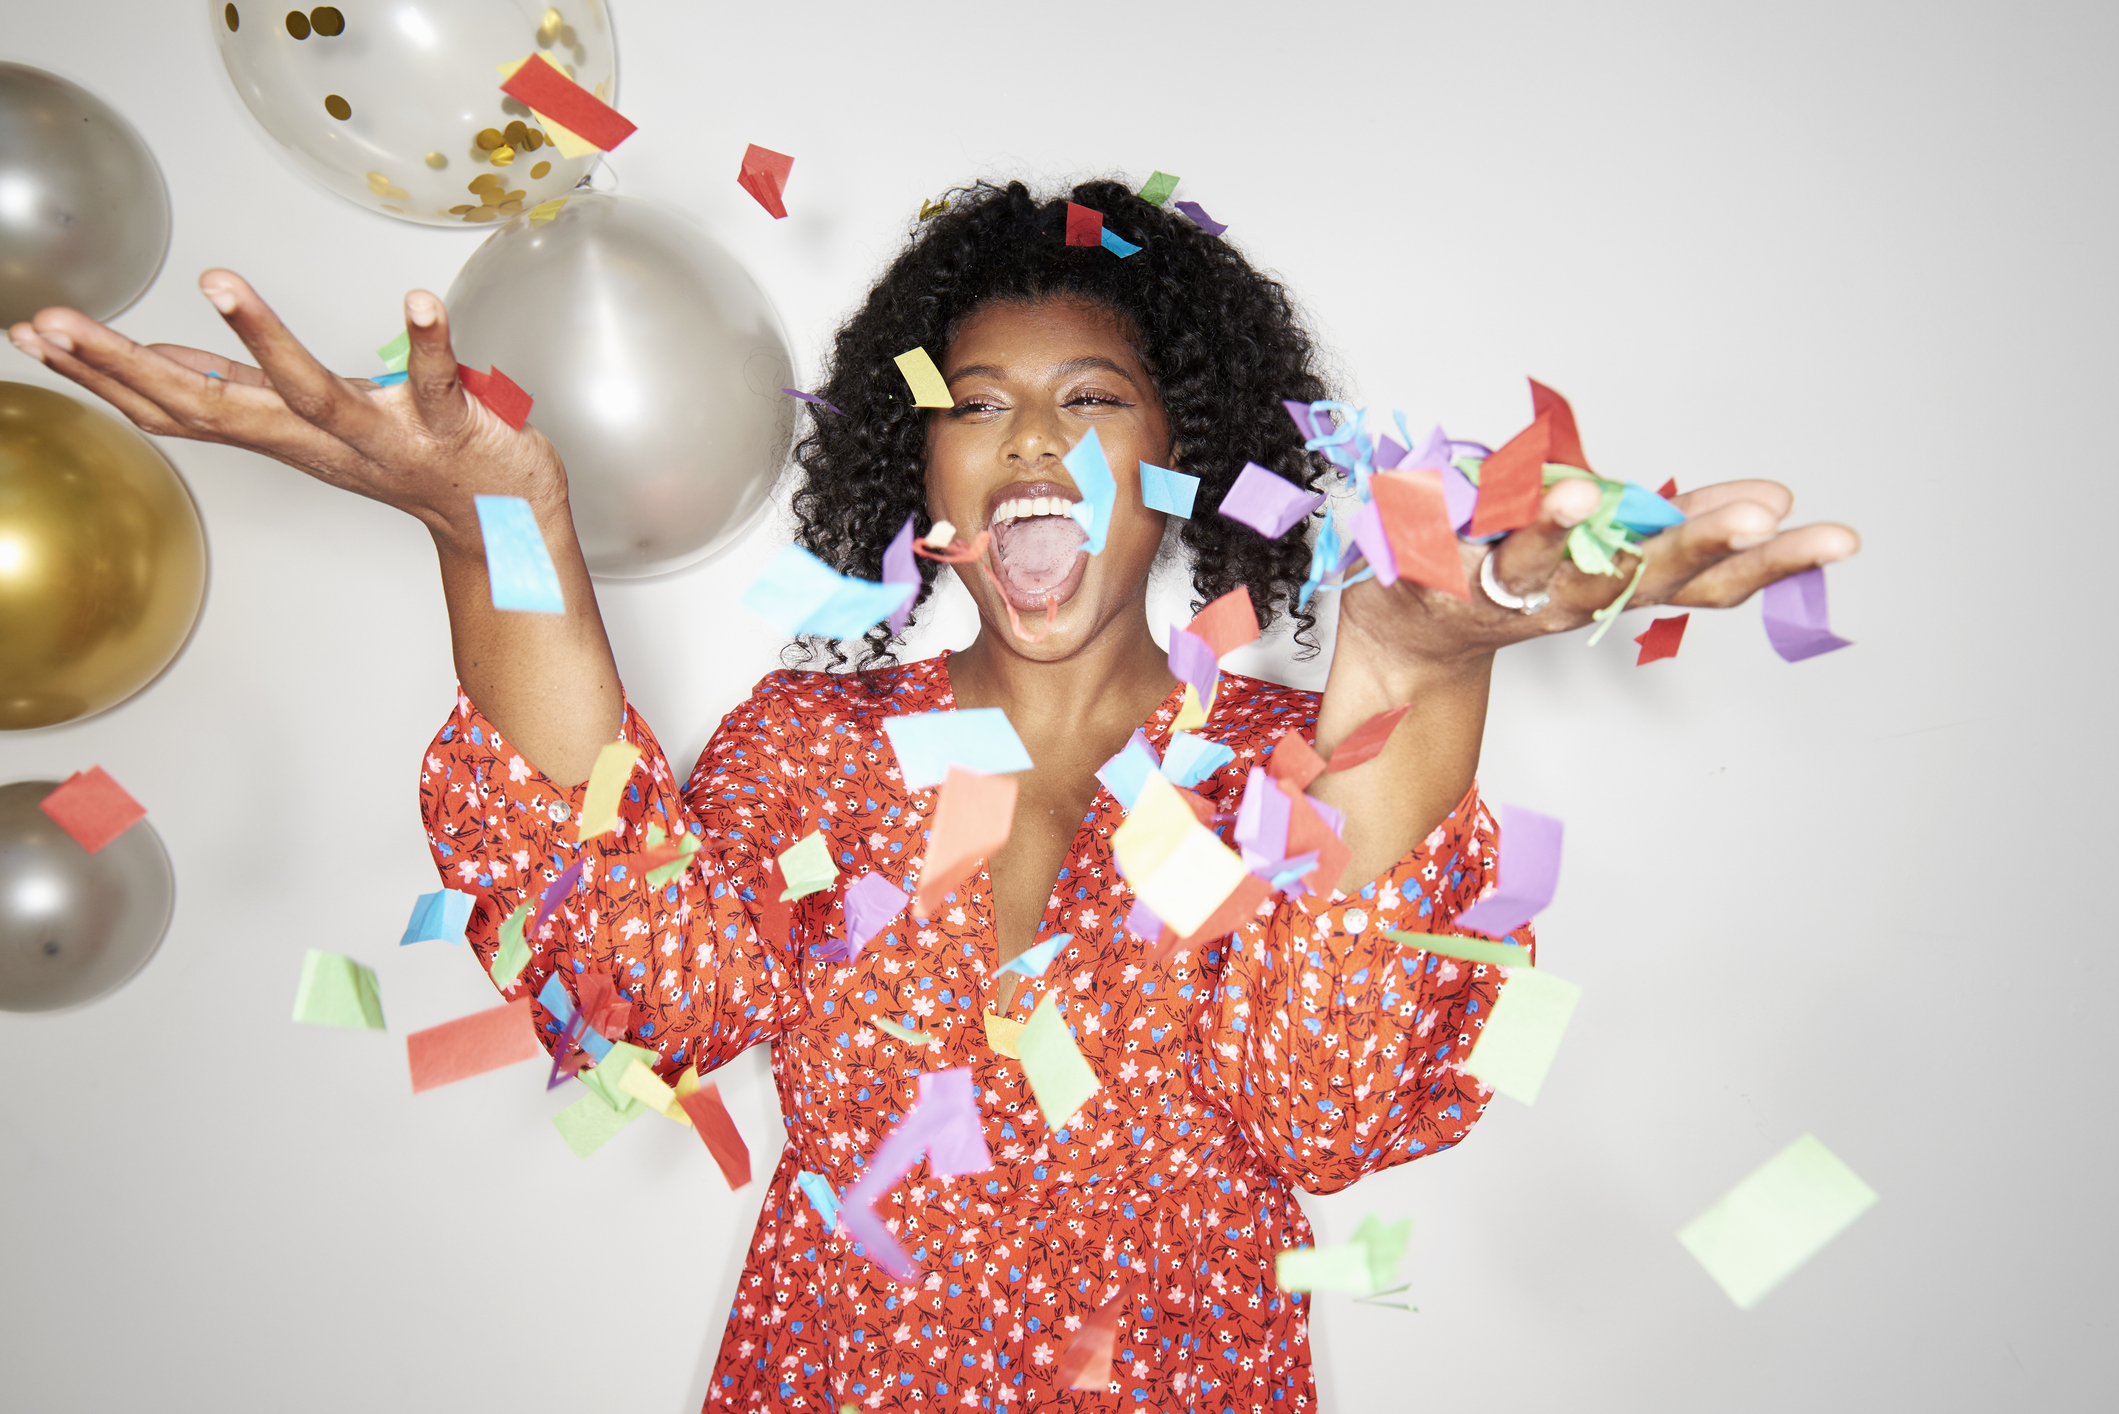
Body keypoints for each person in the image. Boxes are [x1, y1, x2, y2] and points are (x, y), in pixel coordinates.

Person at [10, 177, 1857, 1411]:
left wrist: (1412, 674)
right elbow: (649, 1005)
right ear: (928, 466)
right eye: (977, 400)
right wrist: (503, 523)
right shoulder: (809, 743)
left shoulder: (1276, 759)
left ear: (1185, 452)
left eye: (1094, 399)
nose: (1031, 435)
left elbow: (1326, 1110)